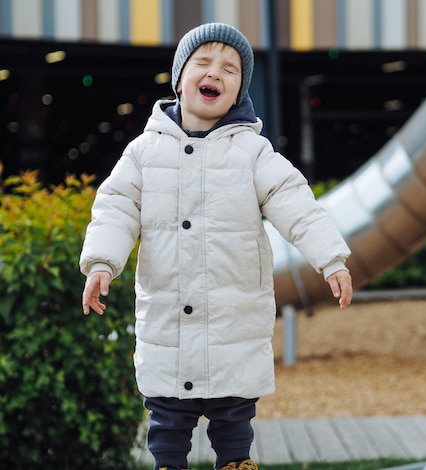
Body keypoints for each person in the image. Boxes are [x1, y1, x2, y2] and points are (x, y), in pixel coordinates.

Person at [80, 22, 352, 470]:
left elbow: (295, 203)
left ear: (239, 90)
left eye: (230, 69)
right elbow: (116, 207)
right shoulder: (144, 152)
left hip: (233, 322)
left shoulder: (252, 151)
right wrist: (102, 264)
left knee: (234, 422)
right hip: (168, 322)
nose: (216, 73)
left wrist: (331, 258)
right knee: (166, 426)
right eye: (203, 63)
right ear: (180, 79)